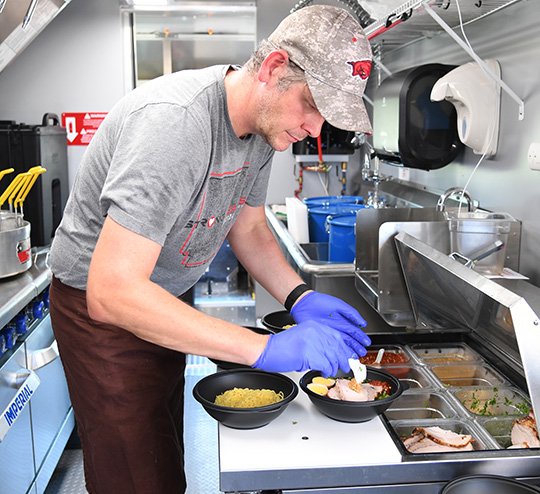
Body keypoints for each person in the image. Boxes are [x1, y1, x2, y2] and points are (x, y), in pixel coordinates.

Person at [48, 4, 374, 493]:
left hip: (164, 297)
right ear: (272, 68)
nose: (315, 128)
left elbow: (249, 229)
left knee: (162, 452)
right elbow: (112, 292)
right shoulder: (174, 126)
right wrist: (264, 349)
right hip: (104, 314)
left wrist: (299, 297)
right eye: (312, 104)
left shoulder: (264, 133)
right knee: (134, 475)